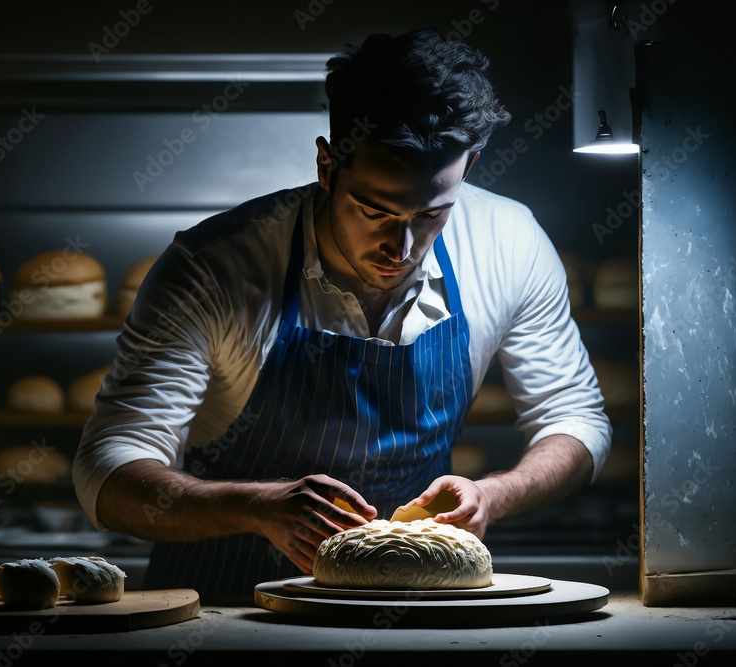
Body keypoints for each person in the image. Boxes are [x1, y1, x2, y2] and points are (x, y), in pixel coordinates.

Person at [73, 28, 611, 602]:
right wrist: (254, 506)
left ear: (470, 165)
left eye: (431, 214)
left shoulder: (510, 241)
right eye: (373, 210)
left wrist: (494, 495)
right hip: (228, 611)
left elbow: (576, 420)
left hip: (416, 605)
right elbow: (107, 472)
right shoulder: (214, 267)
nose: (400, 247)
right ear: (327, 165)